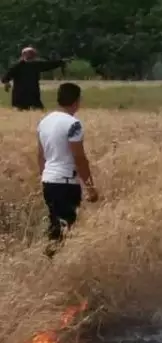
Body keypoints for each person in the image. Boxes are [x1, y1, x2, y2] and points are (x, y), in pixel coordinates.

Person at [37, 83, 99, 258]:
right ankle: (54, 264)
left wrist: (44, 176)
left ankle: (48, 262)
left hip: (49, 181)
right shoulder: (73, 124)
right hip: (66, 182)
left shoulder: (44, 121)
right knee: (66, 230)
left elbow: (40, 155)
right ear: (77, 101)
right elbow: (79, 158)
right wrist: (90, 187)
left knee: (55, 227)